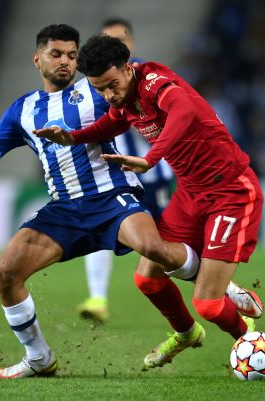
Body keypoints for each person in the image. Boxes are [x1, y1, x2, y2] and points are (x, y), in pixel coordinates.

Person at [0, 24, 203, 379]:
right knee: (5, 272)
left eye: (71, 55)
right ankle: (39, 358)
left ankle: (221, 291)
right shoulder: (23, 110)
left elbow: (141, 94)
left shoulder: (97, 88)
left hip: (112, 195)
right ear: (37, 59)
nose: (65, 61)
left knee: (154, 248)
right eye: (56, 54)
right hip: (65, 209)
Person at [34, 34, 265, 369]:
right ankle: (186, 333)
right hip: (190, 193)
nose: (109, 95)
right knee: (147, 279)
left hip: (230, 191)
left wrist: (151, 158)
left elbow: (183, 110)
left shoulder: (155, 84)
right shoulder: (124, 100)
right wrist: (73, 138)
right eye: (100, 89)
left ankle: (251, 344)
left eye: (112, 85)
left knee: (208, 305)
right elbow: (110, 123)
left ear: (128, 68)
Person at [77, 18, 174, 324]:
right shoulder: (96, 84)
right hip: (117, 174)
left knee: (165, 245)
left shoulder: (145, 78)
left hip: (152, 173)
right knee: (100, 229)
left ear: (129, 43)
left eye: (118, 39)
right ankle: (97, 298)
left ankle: (219, 287)